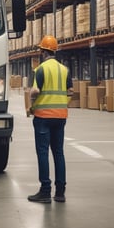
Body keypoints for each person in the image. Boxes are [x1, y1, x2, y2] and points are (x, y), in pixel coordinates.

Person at [27, 35, 73, 203]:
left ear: (42, 51)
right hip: (60, 117)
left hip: (43, 117)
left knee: (43, 152)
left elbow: (35, 91)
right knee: (59, 153)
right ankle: (60, 192)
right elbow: (70, 92)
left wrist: (32, 106)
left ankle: (45, 191)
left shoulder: (40, 69)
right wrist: (63, 104)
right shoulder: (64, 69)